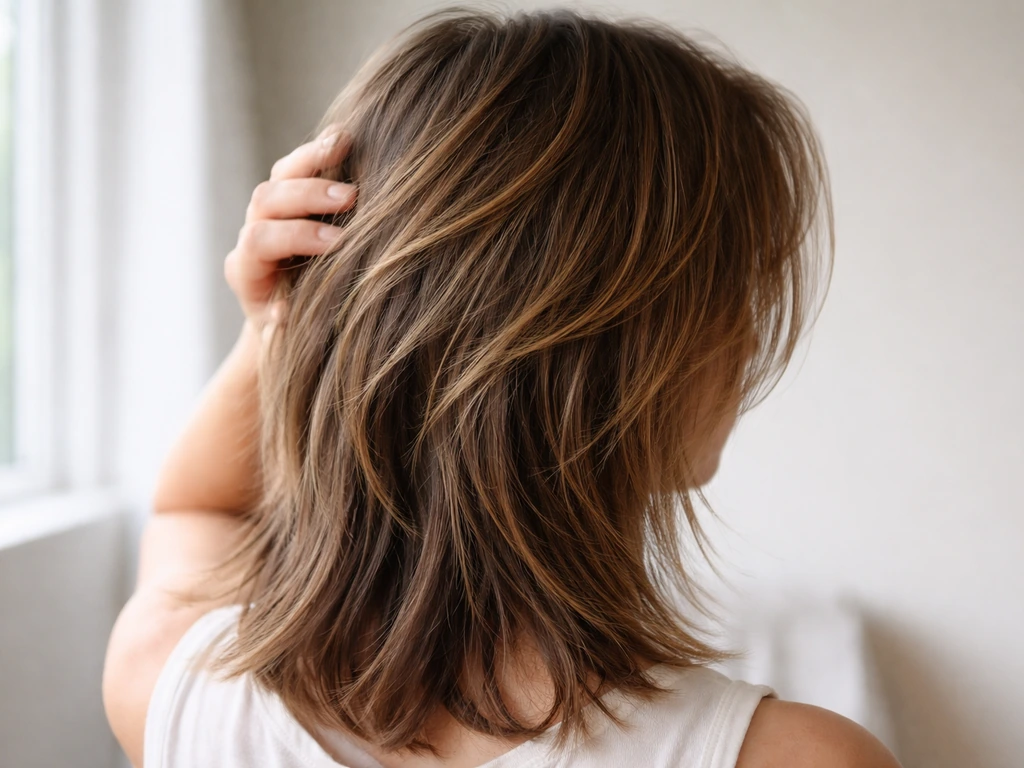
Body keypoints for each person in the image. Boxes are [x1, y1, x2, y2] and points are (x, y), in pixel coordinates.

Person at [103, 8, 901, 768]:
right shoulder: (802, 758)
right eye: (739, 298)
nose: (752, 338)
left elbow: (197, 511)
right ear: (649, 367)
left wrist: (277, 327)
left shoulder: (175, 690)